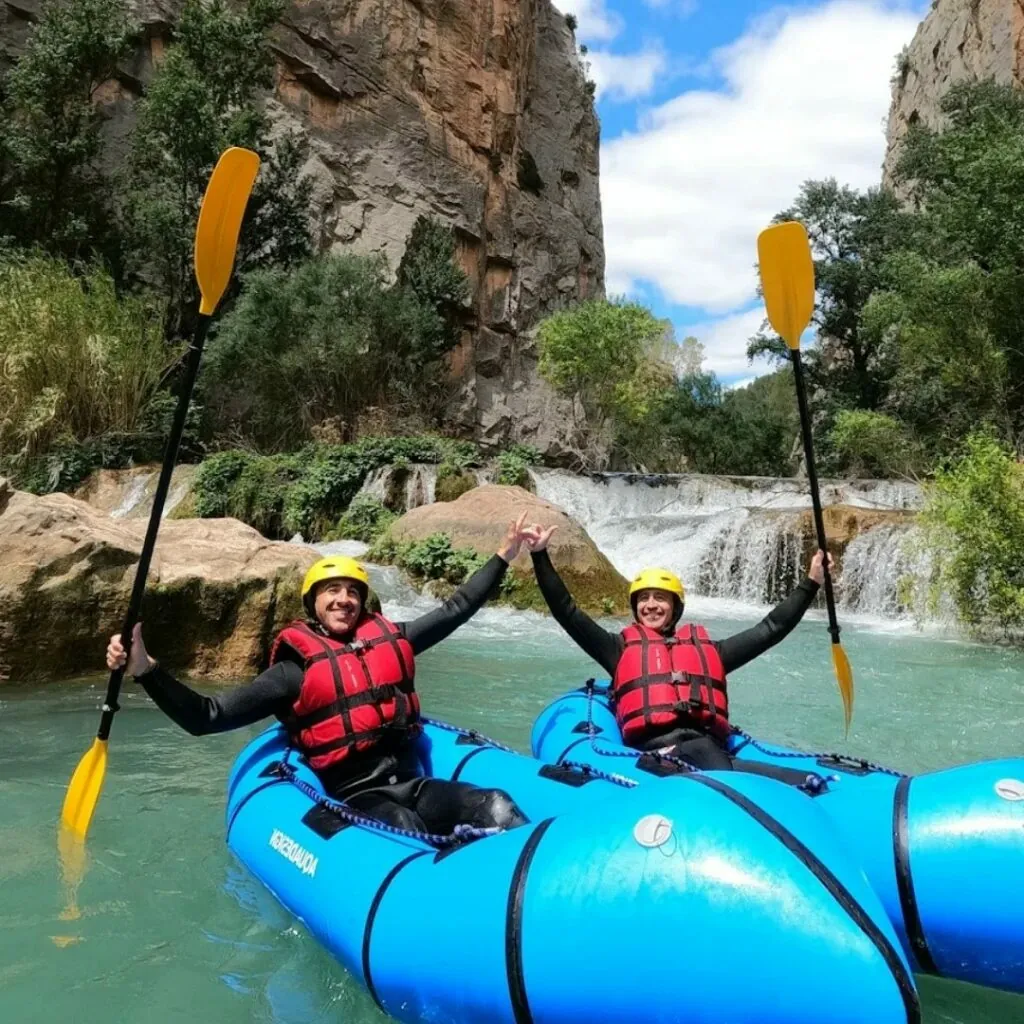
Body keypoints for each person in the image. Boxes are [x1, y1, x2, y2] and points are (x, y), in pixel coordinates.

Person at [106, 516, 534, 837]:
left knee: (495, 804)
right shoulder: (292, 673)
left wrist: (505, 554)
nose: (343, 600)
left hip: (416, 783)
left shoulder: (393, 639)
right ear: (312, 604)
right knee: (403, 827)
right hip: (359, 796)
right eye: (332, 591)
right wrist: (146, 670)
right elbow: (208, 715)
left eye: (352, 592)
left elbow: (456, 609)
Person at [522, 523, 833, 785]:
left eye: (660, 598)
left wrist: (812, 582)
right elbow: (567, 611)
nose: (651, 605)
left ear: (675, 608)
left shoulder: (712, 652)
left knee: (803, 782)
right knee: (714, 767)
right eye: (643, 599)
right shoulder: (617, 649)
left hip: (706, 749)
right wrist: (539, 555)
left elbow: (771, 628)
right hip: (653, 756)